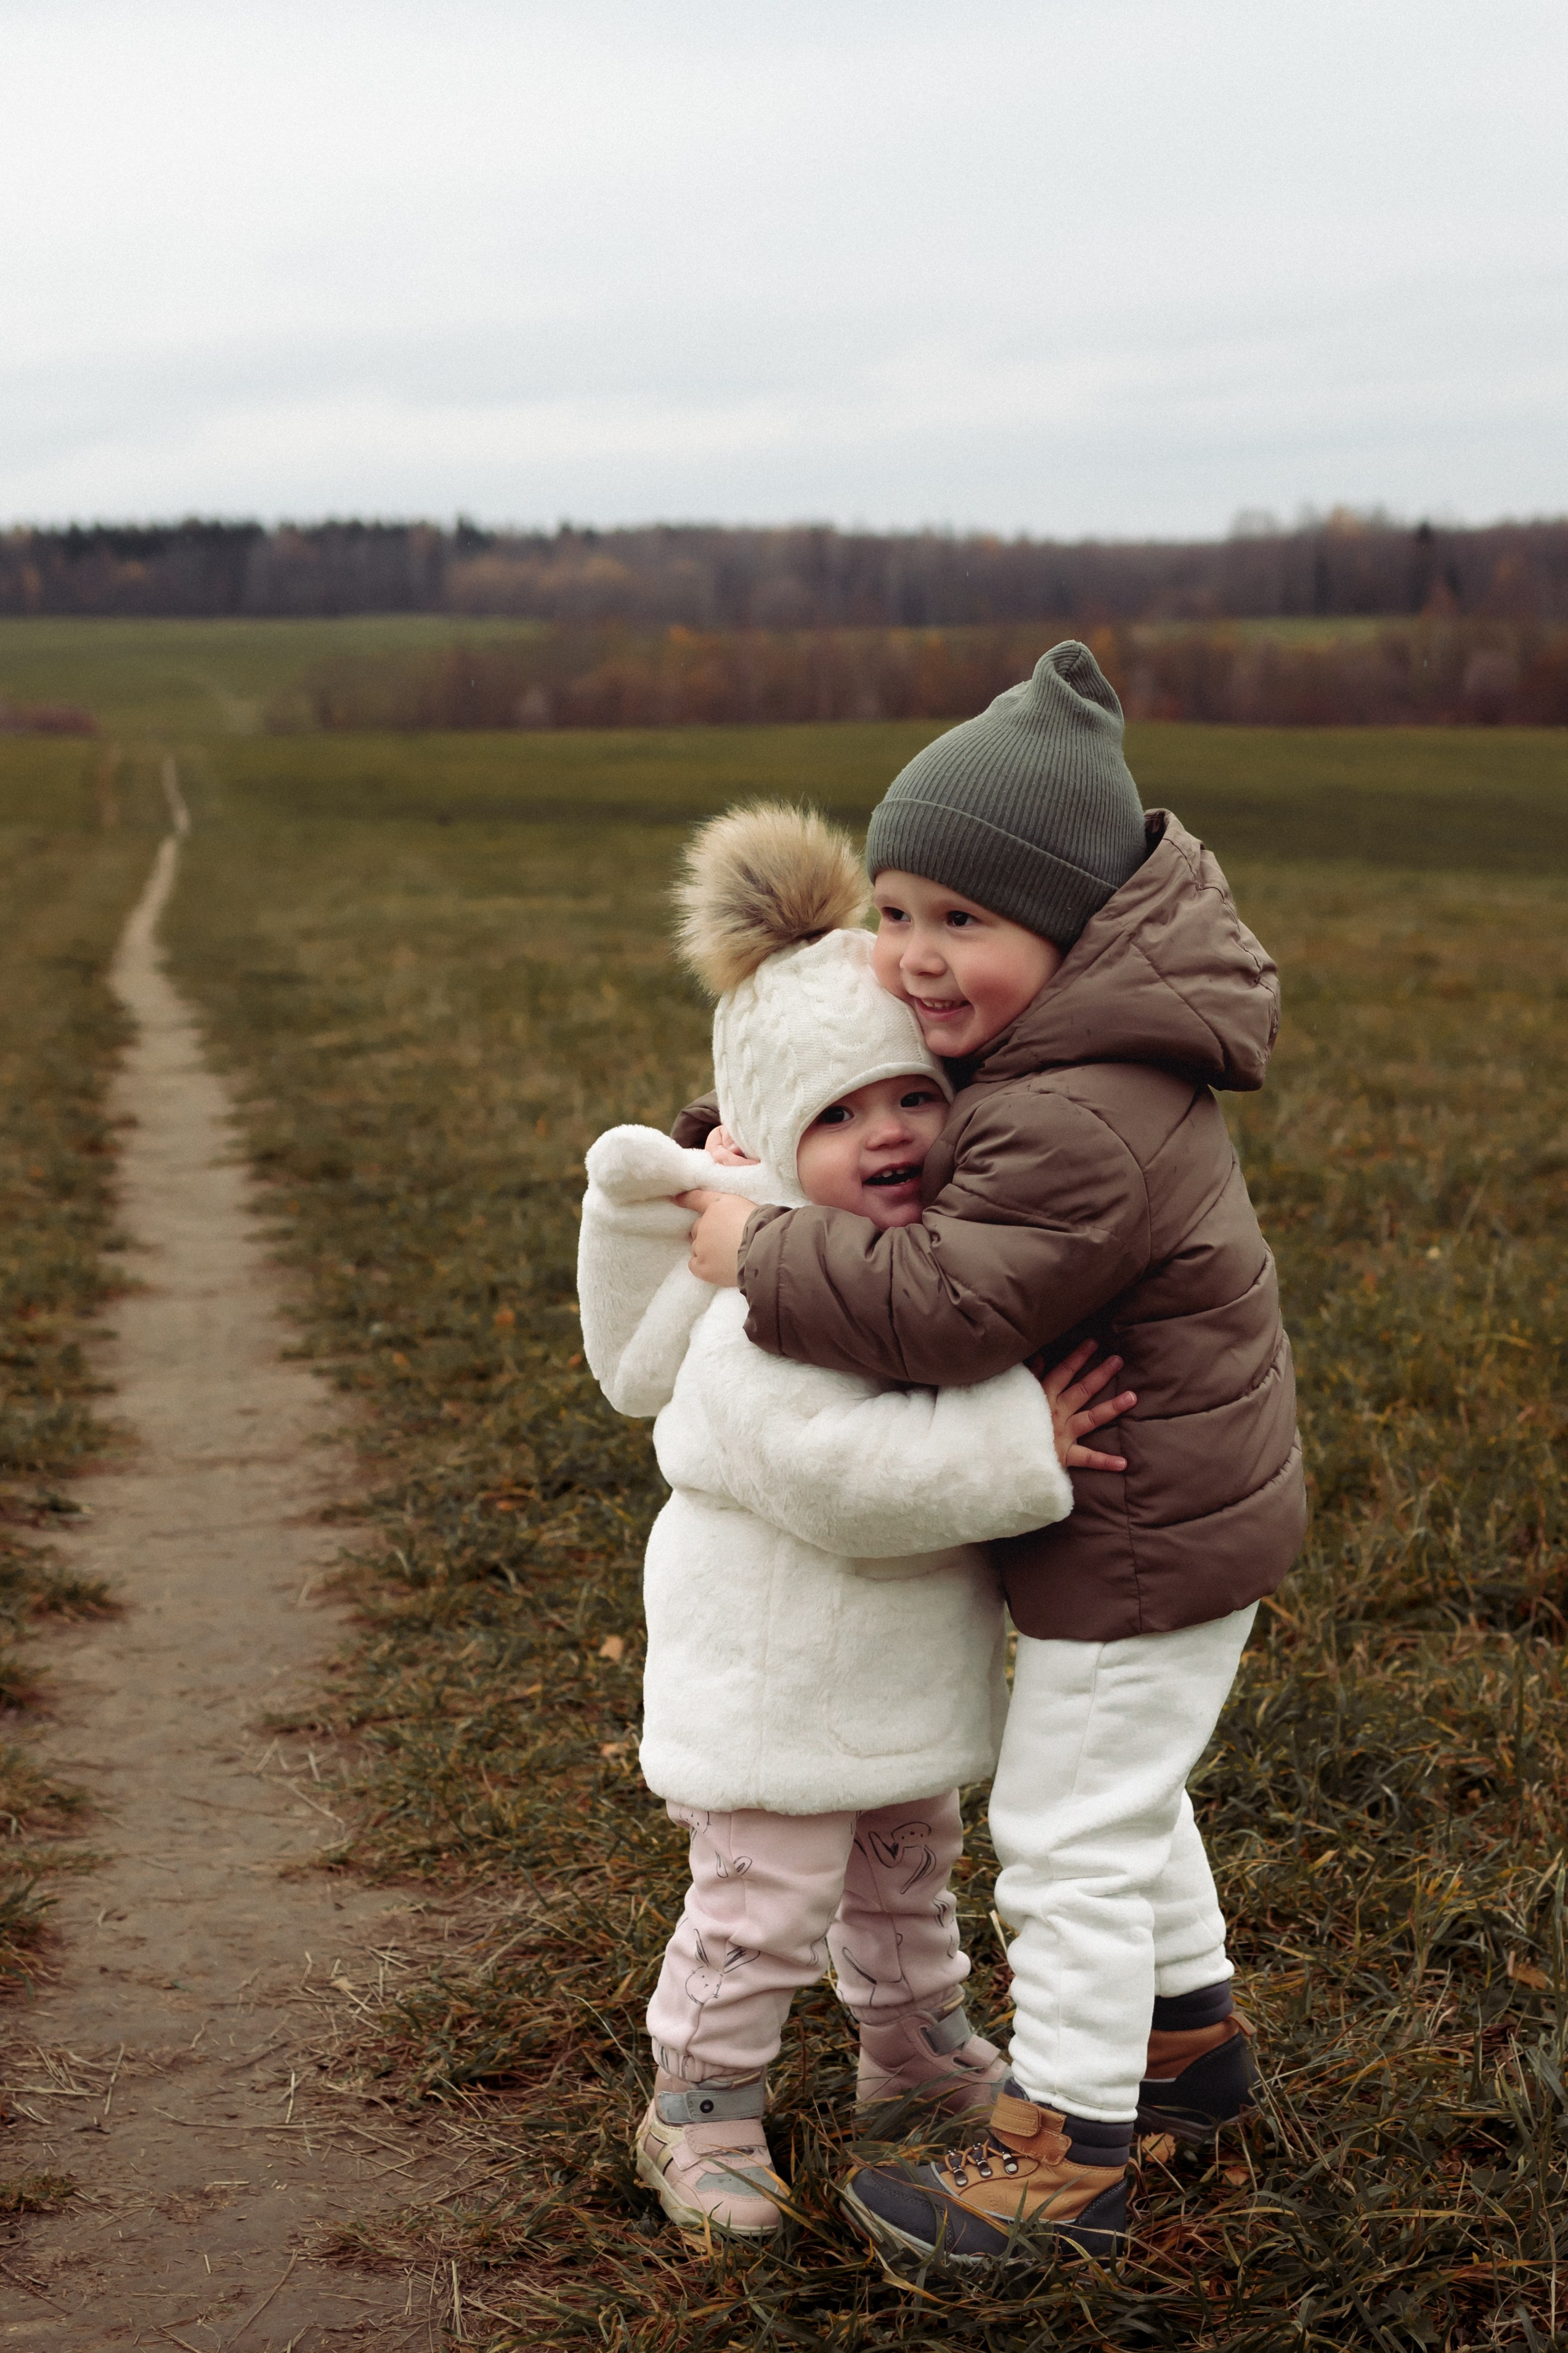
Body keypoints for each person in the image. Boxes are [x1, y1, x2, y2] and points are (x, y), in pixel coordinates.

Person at [678, 643, 1307, 2264]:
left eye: (964, 920)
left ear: (1077, 924)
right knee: (1128, 1793)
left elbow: (946, 1301)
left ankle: (1066, 2153)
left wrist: (755, 1254)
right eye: (893, 911)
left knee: (1073, 1833)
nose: (914, 958)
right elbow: (912, 1163)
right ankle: (1186, 2048)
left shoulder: (1074, 1108)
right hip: (1161, 1518)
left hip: (1140, 1526)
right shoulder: (1062, 1060)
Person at [577, 803, 1132, 2245]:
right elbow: (844, 1480)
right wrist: (1026, 1442)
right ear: (766, 1140)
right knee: (763, 1898)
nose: (885, 1133)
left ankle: (913, 2050)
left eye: (912, 1098)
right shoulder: (758, 1306)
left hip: (884, 1670)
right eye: (837, 1114)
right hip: (773, 1677)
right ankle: (696, 2103)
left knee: (904, 1867)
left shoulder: (886, 1267)